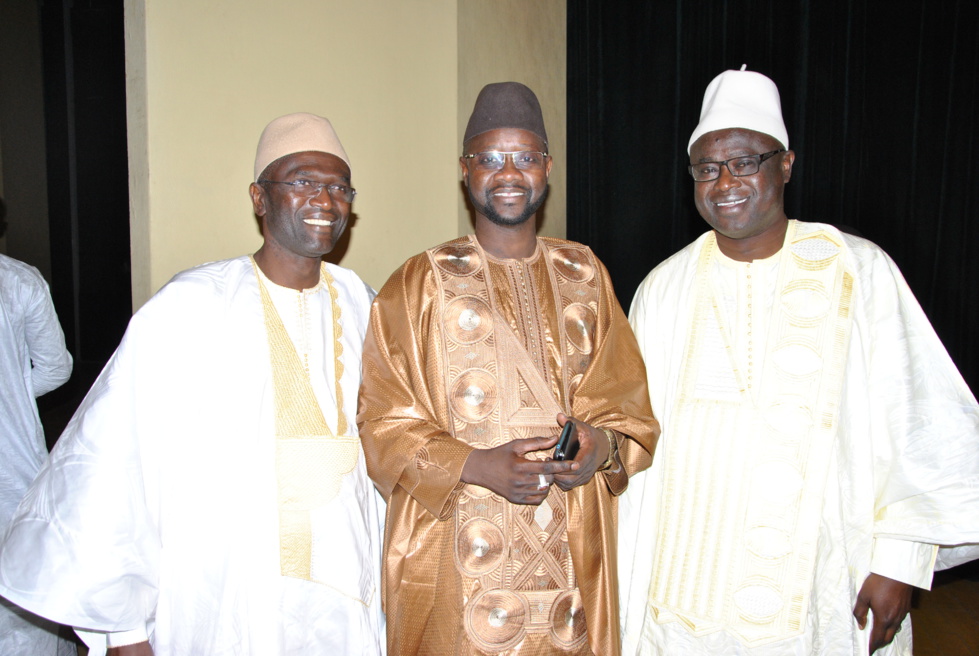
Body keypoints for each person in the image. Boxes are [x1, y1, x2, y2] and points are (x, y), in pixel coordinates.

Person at [620, 67, 979, 655]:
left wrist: (902, 561)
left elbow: (920, 420)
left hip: (820, 583)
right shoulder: (663, 286)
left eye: (745, 162)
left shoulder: (858, 270)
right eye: (706, 167)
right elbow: (634, 438)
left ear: (786, 163)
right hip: (683, 591)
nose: (724, 181)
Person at [0, 113, 385, 655]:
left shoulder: (364, 304)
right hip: (227, 598)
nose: (325, 199)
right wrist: (124, 631)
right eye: (302, 181)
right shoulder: (191, 307)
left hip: (345, 601)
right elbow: (118, 461)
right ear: (259, 197)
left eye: (338, 187)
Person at [358, 81, 659, 656]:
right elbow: (382, 426)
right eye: (490, 159)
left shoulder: (586, 273)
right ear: (465, 170)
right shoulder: (416, 286)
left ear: (547, 168)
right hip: (458, 560)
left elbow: (628, 409)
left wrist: (601, 447)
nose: (508, 173)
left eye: (525, 157)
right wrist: (474, 464)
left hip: (569, 556)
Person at [0, 235, 74, 655]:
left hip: (13, 466)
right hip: (14, 463)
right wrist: (11, 393)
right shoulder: (18, 280)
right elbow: (55, 367)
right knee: (26, 588)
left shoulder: (20, 281)